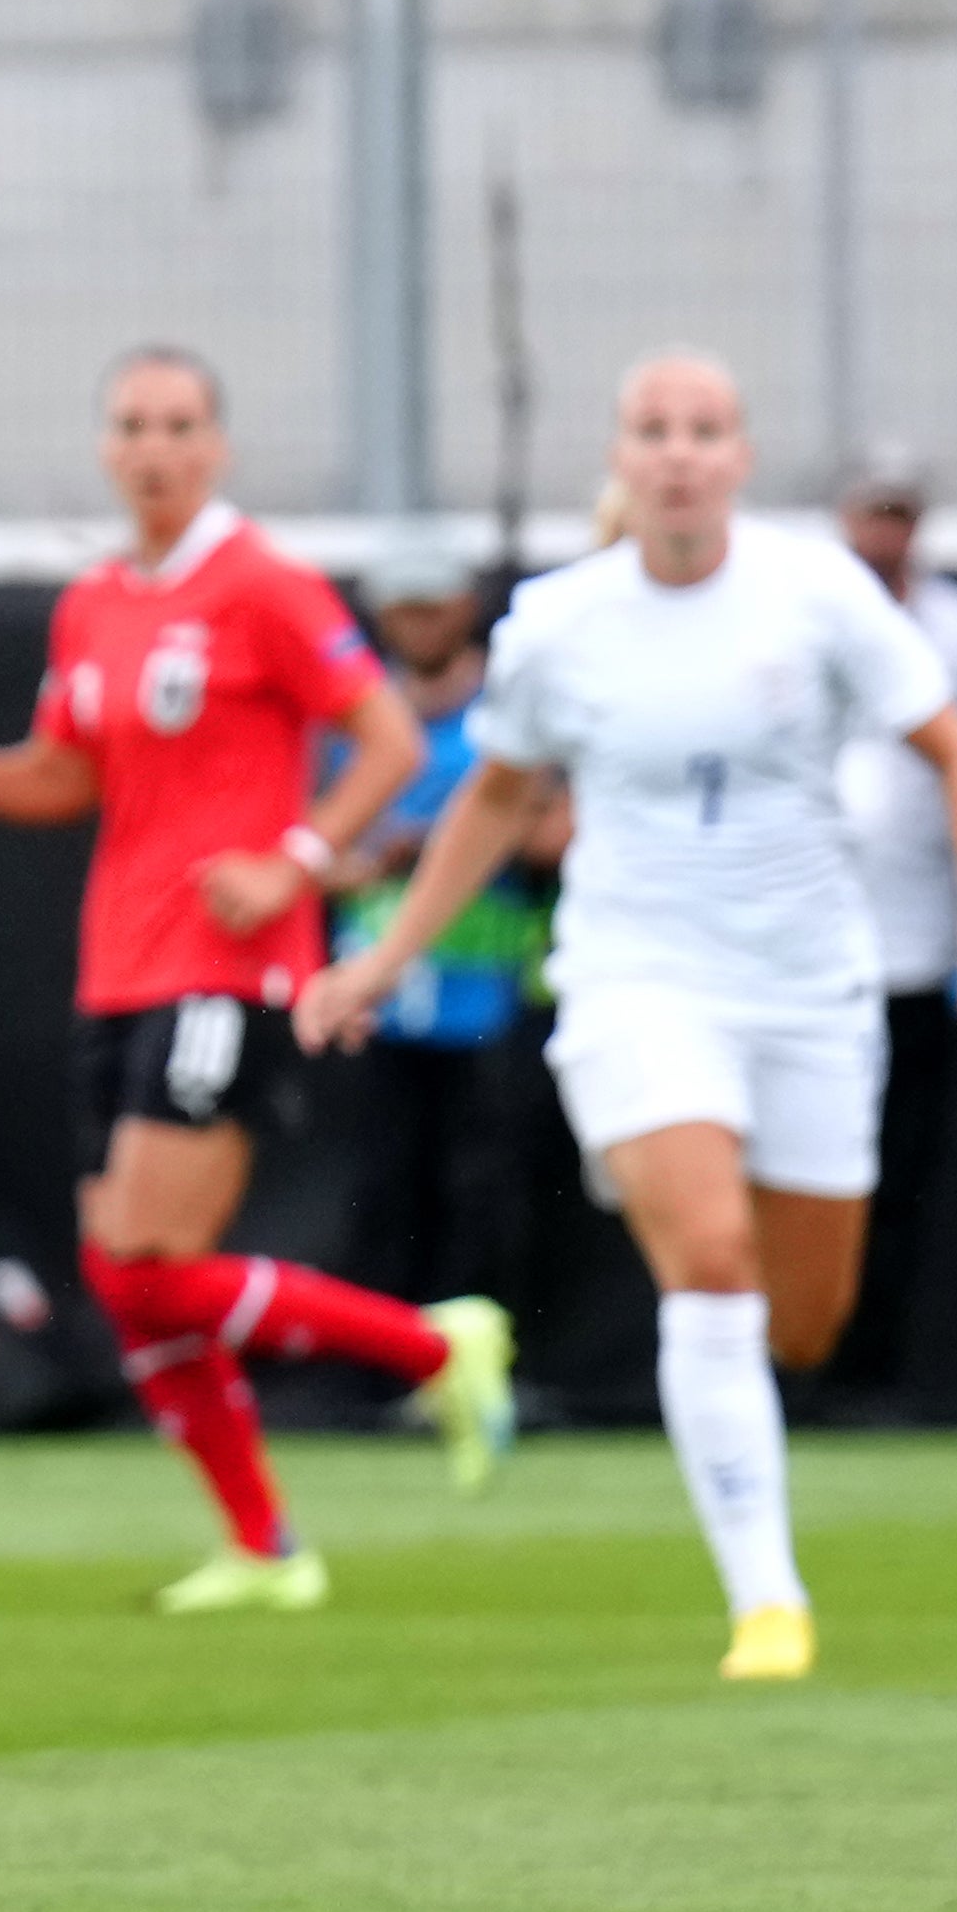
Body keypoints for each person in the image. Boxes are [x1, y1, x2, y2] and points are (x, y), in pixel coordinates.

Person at [303, 351, 957, 1682]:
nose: (678, 453)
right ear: (620, 459)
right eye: (652, 430)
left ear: (739, 459)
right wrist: (382, 958)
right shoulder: (557, 623)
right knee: (707, 1260)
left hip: (807, 992)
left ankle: (685, 1211)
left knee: (803, 1322)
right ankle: (767, 1603)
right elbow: (493, 798)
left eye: (703, 431)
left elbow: (955, 759)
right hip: (635, 977)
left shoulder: (817, 595)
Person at [0, 345, 518, 1610]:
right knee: (124, 1278)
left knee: (156, 1262)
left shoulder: (261, 585)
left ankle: (437, 1345)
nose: (154, 448)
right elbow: (64, 776)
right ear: (106, 449)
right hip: (119, 968)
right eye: (131, 425)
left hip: (223, 971)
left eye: (178, 425)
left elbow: (389, 738)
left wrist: (294, 859)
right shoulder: (95, 604)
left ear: (216, 446)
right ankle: (266, 1549)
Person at [307, 544, 562, 1344]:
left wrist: (444, 845)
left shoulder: (508, 713)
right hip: (378, 1003)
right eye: (405, 608)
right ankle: (384, 1358)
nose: (421, 624)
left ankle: (482, 1357)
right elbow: (308, 850)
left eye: (436, 604)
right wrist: (362, 861)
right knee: (383, 1185)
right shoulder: (348, 727)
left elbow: (553, 828)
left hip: (489, 998)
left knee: (486, 1187)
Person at [820, 459, 957, 1410]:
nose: (884, 533)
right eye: (872, 511)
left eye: (901, 514)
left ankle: (874, 1373)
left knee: (898, 1172)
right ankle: (799, 1364)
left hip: (916, 948)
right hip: (808, 952)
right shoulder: (796, 611)